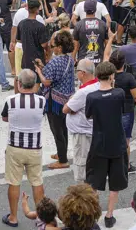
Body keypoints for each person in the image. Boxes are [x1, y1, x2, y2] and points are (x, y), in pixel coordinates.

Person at [1, 70, 48, 227]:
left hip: (15, 147)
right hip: (34, 147)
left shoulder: (10, 100)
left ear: (19, 83)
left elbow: (5, 118)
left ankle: (13, 217)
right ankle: (41, 217)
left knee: (14, 182)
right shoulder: (41, 101)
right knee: (37, 181)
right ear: (35, 84)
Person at [85, 61, 128, 228]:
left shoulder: (92, 97)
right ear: (112, 76)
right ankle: (109, 216)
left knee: (94, 181)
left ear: (97, 76)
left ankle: (93, 216)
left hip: (99, 144)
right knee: (115, 183)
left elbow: (89, 115)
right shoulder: (119, 93)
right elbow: (122, 110)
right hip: (117, 143)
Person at [36, 30, 77, 171]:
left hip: (54, 100)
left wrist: (39, 71)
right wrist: (43, 67)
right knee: (63, 128)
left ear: (59, 47)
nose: (52, 48)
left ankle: (63, 160)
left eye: (54, 46)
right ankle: (62, 153)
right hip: (66, 98)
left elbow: (46, 82)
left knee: (56, 130)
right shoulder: (69, 60)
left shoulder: (56, 61)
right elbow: (54, 73)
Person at [110, 49, 136, 175]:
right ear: (124, 63)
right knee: (125, 141)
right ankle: (126, 166)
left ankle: (110, 167)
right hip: (126, 112)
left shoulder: (108, 76)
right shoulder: (129, 78)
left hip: (111, 112)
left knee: (111, 139)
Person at [63, 59, 100, 183]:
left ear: (83, 73)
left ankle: (84, 198)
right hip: (92, 130)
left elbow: (66, 109)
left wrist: (72, 103)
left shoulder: (84, 92)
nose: (76, 73)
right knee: (92, 167)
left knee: (81, 168)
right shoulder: (97, 85)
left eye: (77, 70)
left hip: (82, 134)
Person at [73, 0, 108, 64]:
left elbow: (75, 45)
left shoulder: (79, 25)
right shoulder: (103, 24)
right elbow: (107, 44)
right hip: (99, 61)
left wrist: (73, 58)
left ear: (84, 10)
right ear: (95, 10)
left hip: (83, 62)